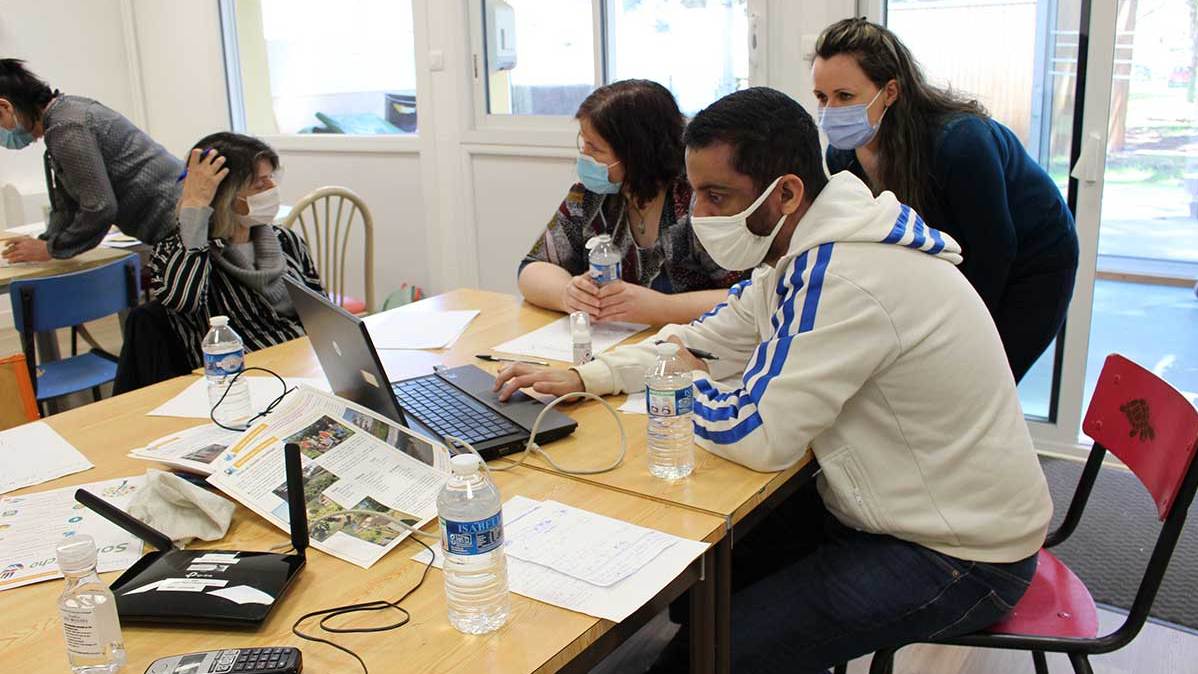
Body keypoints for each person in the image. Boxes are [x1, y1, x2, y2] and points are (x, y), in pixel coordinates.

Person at [492, 87, 1052, 673]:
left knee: (703, 652)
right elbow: (710, 338)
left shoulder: (844, 277)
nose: (699, 216)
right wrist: (591, 375)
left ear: (786, 192)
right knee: (699, 593)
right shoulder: (802, 251)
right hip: (899, 511)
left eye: (716, 196)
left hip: (958, 556)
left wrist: (672, 384)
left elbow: (758, 434)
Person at [812, 18, 1079, 383]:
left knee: (981, 381)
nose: (831, 112)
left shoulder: (960, 142)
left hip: (1032, 261)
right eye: (821, 98)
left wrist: (954, 334)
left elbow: (994, 252)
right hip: (962, 255)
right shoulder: (842, 157)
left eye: (845, 96)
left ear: (890, 92)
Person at [518, 79, 747, 325]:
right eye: (583, 143)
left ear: (636, 153)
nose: (584, 156)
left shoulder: (696, 202)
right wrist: (568, 294)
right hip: (614, 344)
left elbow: (750, 296)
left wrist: (662, 308)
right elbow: (533, 268)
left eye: (594, 148)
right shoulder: (590, 196)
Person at [150, 132, 323, 369]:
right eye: (259, 184)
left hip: (303, 360)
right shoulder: (177, 251)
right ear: (226, 194)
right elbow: (184, 302)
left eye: (271, 178)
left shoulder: (286, 240)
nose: (272, 188)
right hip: (239, 376)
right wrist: (195, 205)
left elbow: (321, 312)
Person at [0, 59, 182, 261]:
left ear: (5, 108)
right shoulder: (66, 115)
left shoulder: (67, 128)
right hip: (182, 222)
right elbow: (68, 205)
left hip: (182, 226)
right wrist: (46, 241)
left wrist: (49, 249)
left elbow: (100, 209)